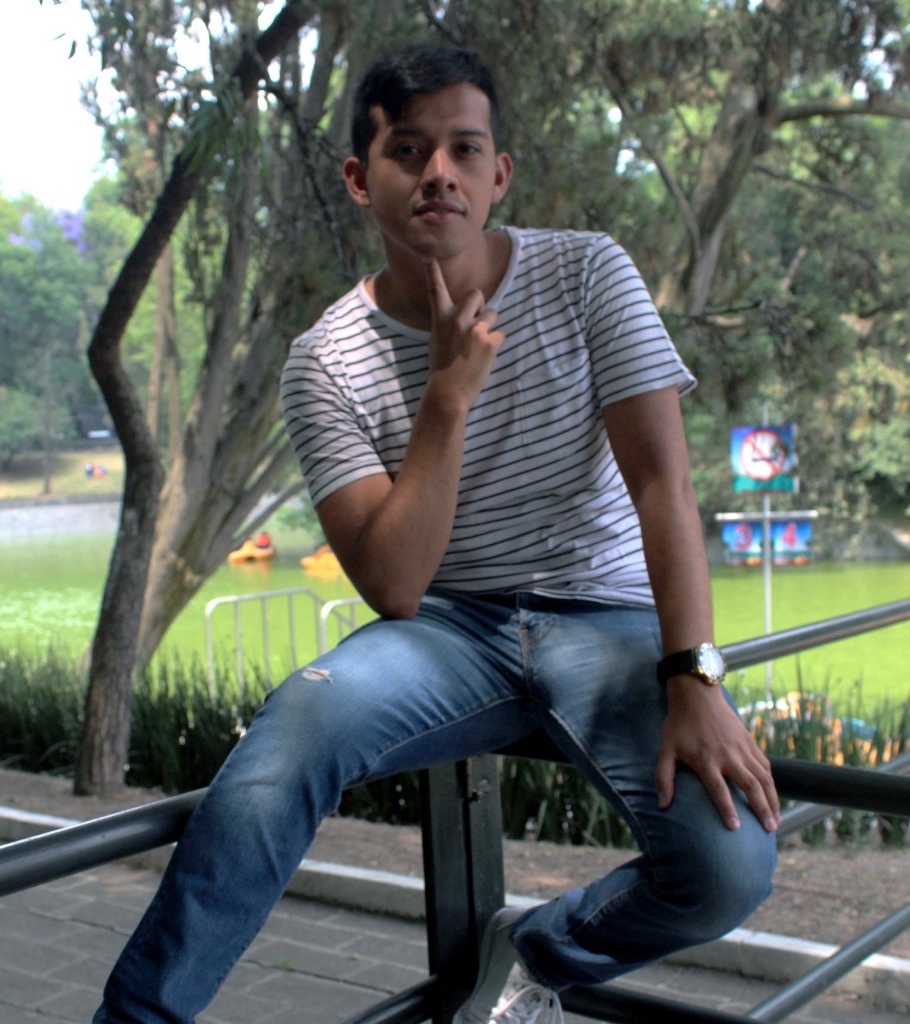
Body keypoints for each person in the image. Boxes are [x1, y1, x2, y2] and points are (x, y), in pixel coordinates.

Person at [93, 43, 780, 1024]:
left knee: (726, 871)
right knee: (290, 739)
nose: (438, 174)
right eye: (407, 150)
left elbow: (663, 486)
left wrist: (693, 676)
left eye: (465, 149)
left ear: (499, 174)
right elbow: (394, 585)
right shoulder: (324, 362)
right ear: (359, 178)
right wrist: (446, 398)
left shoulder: (587, 273)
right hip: (447, 629)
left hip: (608, 619)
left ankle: (536, 951)